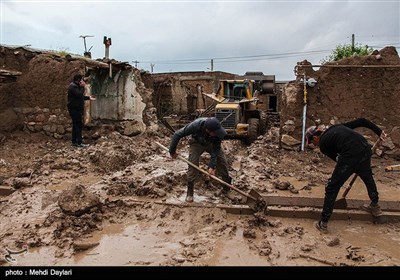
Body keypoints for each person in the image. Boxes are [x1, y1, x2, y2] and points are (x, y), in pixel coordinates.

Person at [305, 118, 387, 233]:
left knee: (331, 187)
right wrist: (379, 132)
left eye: (312, 143)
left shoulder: (323, 144)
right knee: (367, 176)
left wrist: (347, 169)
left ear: (315, 137)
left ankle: (323, 223)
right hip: (365, 147)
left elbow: (340, 162)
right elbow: (362, 121)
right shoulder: (336, 127)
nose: (314, 145)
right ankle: (375, 205)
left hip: (350, 154)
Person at [169, 117, 232, 202]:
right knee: (192, 164)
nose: (217, 134)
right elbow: (177, 134)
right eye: (215, 133)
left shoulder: (218, 132)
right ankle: (190, 193)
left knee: (222, 162)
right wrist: (172, 151)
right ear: (208, 130)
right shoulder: (195, 125)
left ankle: (226, 188)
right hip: (196, 143)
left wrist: (211, 166)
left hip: (211, 143)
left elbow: (216, 149)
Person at [67, 74, 96, 148]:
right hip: (74, 109)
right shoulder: (73, 86)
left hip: (75, 109)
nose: (82, 81)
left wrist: (88, 97)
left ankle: (74, 141)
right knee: (78, 125)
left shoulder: (75, 86)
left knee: (75, 125)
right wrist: (83, 87)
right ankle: (79, 142)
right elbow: (79, 95)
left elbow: (80, 97)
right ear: (79, 80)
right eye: (81, 80)